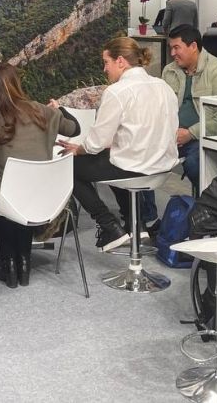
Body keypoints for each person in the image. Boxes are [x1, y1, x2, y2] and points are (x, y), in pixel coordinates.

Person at [0, 63, 79, 288]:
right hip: (46, 197)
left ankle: (9, 263)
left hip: (6, 198)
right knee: (20, 194)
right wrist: (59, 109)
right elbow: (74, 129)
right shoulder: (43, 112)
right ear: (16, 84)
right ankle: (24, 262)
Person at [57, 37, 178, 252]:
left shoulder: (117, 91)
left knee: (68, 167)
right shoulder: (164, 87)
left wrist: (78, 149)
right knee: (111, 159)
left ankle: (108, 225)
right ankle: (137, 225)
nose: (105, 69)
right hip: (163, 167)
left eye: (107, 62)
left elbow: (96, 143)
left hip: (134, 167)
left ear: (120, 61)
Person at [162, 25, 217, 194]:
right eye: (171, 48)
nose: (172, 53)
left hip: (204, 137)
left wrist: (191, 133)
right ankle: (144, 209)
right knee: (134, 155)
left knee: (195, 164)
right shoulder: (169, 71)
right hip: (172, 136)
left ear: (193, 46)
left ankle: (211, 204)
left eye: (177, 47)